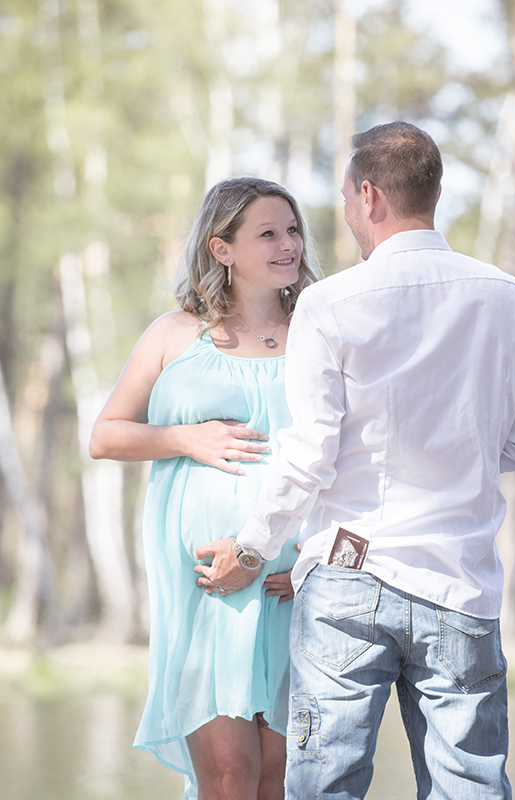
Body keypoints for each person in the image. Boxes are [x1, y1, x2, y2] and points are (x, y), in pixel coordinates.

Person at [196, 123, 515, 799]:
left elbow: (309, 452)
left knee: (323, 785)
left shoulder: (330, 302)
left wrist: (250, 549)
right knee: (469, 787)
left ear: (368, 195)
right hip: (461, 586)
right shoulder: (513, 299)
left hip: (347, 584)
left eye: (344, 196)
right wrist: (457, 451)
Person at [89, 176, 321, 800]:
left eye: (293, 230)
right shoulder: (174, 333)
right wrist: (185, 439)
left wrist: (311, 561)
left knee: (281, 779)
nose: (288, 245)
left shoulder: (319, 330)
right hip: (208, 582)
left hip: (290, 577)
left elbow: (352, 452)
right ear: (221, 249)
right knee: (228, 777)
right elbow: (105, 435)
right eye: (267, 233)